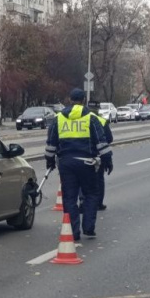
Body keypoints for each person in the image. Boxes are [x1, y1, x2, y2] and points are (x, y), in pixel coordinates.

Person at [45, 88, 111, 240]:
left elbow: (51, 144)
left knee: (69, 197)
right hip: (87, 163)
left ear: (70, 100)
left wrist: (50, 161)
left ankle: (73, 231)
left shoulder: (58, 118)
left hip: (66, 163)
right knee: (90, 194)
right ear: (83, 100)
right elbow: (101, 142)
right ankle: (88, 228)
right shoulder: (91, 118)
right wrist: (107, 160)